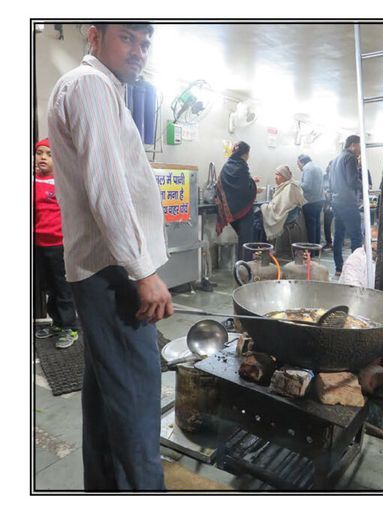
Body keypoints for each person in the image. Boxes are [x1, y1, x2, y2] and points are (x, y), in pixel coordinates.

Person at [46, 21, 169, 490]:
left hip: (104, 267)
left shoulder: (103, 89)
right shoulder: (91, 86)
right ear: (93, 35)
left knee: (105, 398)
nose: (139, 50)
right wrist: (144, 273)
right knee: (137, 403)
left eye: (145, 42)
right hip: (114, 272)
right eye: (127, 37)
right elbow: (108, 191)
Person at [33, 138, 81, 348]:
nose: (43, 157)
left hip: (59, 245)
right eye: (39, 153)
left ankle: (69, 327)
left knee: (62, 288)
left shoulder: (62, 182)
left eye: (49, 154)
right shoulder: (32, 181)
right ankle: (57, 323)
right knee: (49, 287)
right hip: (38, 245)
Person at [216, 141, 265, 264]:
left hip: (231, 210)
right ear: (245, 154)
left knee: (243, 238)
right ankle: (245, 266)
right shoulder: (242, 166)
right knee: (246, 239)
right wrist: (254, 187)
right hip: (243, 211)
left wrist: (251, 181)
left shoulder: (227, 165)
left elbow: (230, 185)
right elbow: (244, 189)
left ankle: (240, 265)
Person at [328, 135, 366, 274]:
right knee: (356, 236)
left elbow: (331, 183)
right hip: (348, 203)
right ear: (353, 144)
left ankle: (339, 268)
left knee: (339, 235)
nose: (361, 150)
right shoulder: (350, 158)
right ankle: (354, 270)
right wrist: (364, 186)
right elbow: (352, 181)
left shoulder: (336, 159)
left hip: (336, 202)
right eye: (360, 146)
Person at [261, 165, 305, 241]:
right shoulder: (285, 186)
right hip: (287, 215)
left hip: (287, 217)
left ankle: (262, 247)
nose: (275, 177)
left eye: (278, 174)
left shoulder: (290, 187)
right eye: (275, 174)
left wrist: (265, 207)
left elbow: (281, 208)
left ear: (284, 176)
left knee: (258, 221)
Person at [297, 154, 329, 247]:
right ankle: (316, 248)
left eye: (298, 164)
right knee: (317, 225)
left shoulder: (307, 169)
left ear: (301, 162)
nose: (298, 166)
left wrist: (296, 183)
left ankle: (311, 249)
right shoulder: (318, 167)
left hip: (310, 201)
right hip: (320, 200)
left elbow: (306, 187)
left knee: (311, 226)